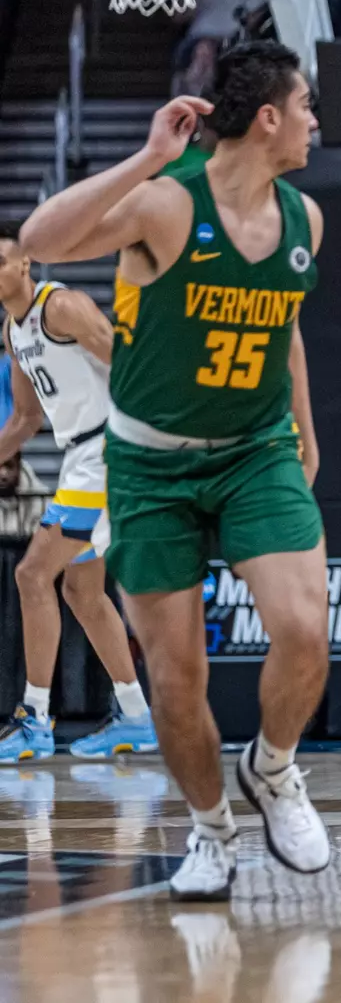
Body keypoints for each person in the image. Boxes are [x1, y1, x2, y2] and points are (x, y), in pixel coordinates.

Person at [21, 42, 333, 900]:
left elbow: (287, 327)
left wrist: (306, 431)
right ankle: (210, 831)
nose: (315, 120)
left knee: (307, 630)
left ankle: (273, 769)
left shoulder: (305, 220)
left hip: (255, 451)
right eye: (305, 105)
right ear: (267, 116)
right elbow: (40, 240)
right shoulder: (164, 204)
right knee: (175, 677)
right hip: (151, 467)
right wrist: (152, 152)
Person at [0, 223, 157, 762]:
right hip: (81, 459)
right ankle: (136, 717)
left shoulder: (60, 307)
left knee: (32, 574)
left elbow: (126, 360)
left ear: (25, 263)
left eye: (1, 261)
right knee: (81, 594)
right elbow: (24, 418)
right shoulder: (13, 331)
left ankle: (35, 719)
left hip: (110, 452)